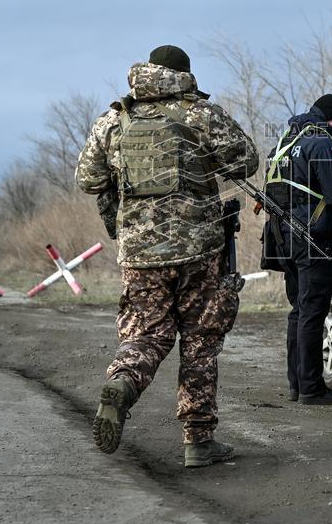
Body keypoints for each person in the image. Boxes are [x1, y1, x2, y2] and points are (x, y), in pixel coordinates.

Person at [75, 44, 259, 468]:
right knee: (200, 339)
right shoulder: (200, 114)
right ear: (185, 75)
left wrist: (123, 219)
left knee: (145, 334)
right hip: (200, 251)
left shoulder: (113, 120)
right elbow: (246, 160)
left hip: (139, 254)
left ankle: (122, 381)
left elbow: (89, 179)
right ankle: (198, 441)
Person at [263, 94, 332, 405]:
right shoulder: (323, 143)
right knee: (313, 312)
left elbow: (308, 196)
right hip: (312, 240)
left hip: (283, 239)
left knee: (299, 312)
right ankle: (313, 389)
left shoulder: (285, 143)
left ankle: (298, 385)